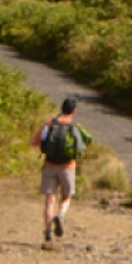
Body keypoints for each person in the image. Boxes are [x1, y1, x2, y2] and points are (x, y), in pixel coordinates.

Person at [34, 96, 95, 248]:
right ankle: (60, 215)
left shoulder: (49, 124)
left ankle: (48, 232)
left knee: (49, 200)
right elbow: (87, 142)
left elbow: (34, 142)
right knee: (67, 197)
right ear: (74, 111)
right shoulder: (76, 127)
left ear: (61, 109)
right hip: (68, 166)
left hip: (49, 165)